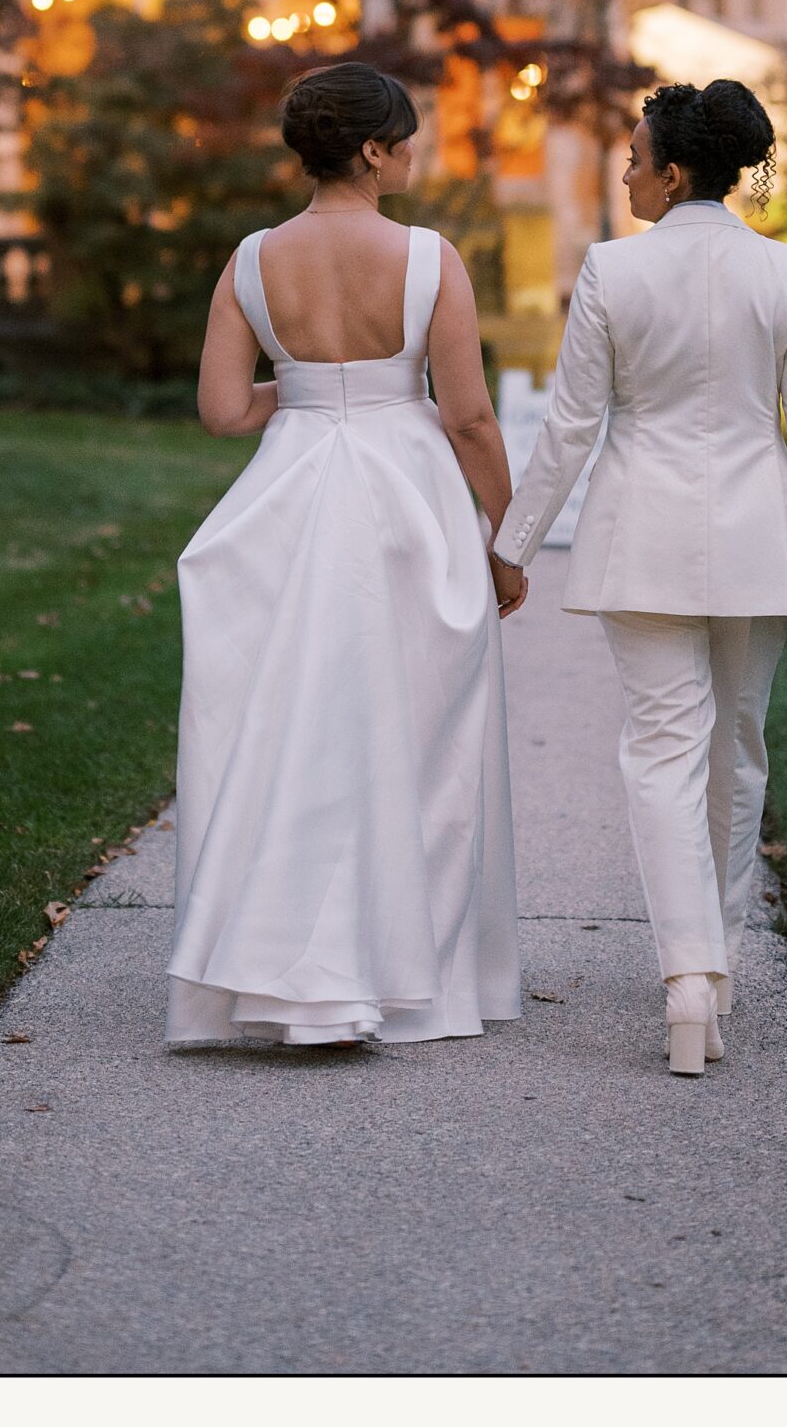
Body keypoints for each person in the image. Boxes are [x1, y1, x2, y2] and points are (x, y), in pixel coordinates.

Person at [490, 78, 787, 1077]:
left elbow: (572, 426)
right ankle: (707, 970)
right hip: (760, 541)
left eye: (632, 158)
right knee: (737, 749)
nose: (623, 171)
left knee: (662, 751)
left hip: (641, 540)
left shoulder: (610, 271)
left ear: (672, 175)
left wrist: (511, 544)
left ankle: (686, 979)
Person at [168, 60, 525, 1049]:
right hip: (403, 502)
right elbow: (469, 417)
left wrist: (311, 387)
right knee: (415, 734)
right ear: (372, 149)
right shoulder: (425, 257)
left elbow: (221, 410)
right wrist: (507, 541)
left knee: (290, 732)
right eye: (404, 137)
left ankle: (280, 964)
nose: (413, 152)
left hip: (289, 496)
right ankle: (407, 970)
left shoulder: (249, 261)